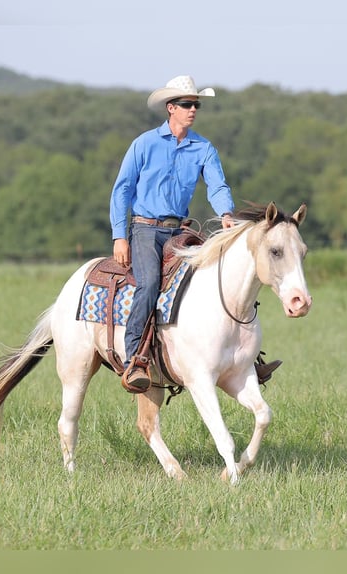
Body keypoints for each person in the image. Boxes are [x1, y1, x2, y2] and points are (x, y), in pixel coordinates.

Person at [109, 75, 235, 393]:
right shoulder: (144, 144)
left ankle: (235, 357)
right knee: (149, 284)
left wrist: (226, 214)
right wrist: (119, 236)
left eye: (196, 105)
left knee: (214, 280)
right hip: (145, 230)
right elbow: (122, 189)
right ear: (171, 108)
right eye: (187, 104)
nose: (193, 109)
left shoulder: (203, 148)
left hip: (179, 230)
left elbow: (217, 185)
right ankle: (134, 359)